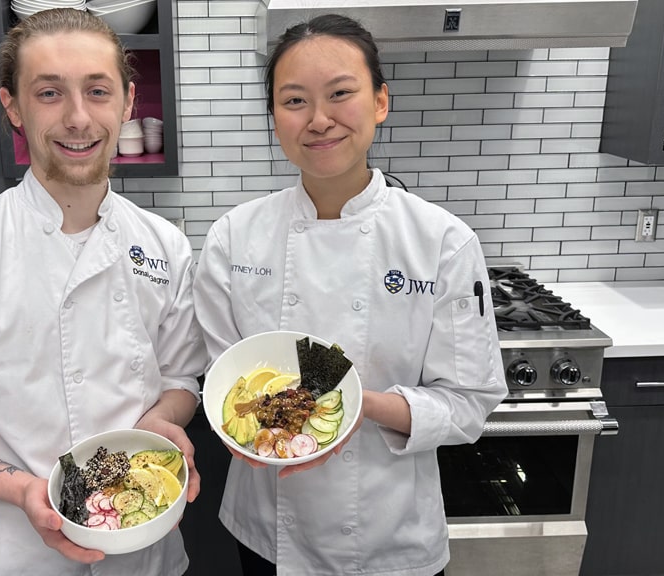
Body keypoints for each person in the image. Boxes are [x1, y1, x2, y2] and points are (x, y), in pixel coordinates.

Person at [0, 8, 206, 575]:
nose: (78, 118)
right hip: (19, 555)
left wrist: (159, 424)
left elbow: (179, 379)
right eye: (49, 93)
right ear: (13, 107)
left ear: (126, 103)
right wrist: (25, 489)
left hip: (147, 550)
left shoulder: (164, 245)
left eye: (97, 91)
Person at [193, 14, 508, 576]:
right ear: (273, 117)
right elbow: (225, 384)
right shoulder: (233, 237)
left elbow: (469, 405)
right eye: (294, 101)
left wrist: (353, 406)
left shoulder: (441, 241)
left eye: (341, 93)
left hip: (392, 535)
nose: (319, 120)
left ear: (381, 101)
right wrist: (244, 427)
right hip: (268, 529)